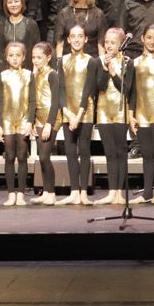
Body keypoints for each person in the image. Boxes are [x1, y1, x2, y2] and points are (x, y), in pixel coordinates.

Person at [125, 25, 154, 204]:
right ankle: (146, 193)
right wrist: (131, 114)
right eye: (149, 37)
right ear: (143, 38)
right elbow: (133, 92)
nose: (152, 41)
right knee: (146, 154)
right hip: (141, 114)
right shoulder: (134, 63)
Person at [57, 25, 98, 205]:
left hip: (85, 111)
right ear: (68, 39)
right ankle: (74, 191)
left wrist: (79, 114)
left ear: (86, 39)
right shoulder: (62, 60)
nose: (76, 39)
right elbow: (61, 88)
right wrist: (66, 111)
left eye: (80, 36)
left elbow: (88, 89)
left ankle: (83, 191)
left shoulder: (91, 61)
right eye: (73, 36)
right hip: (68, 111)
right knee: (70, 151)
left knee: (84, 150)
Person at [93, 27, 131, 205]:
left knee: (120, 152)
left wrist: (113, 72)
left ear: (121, 44)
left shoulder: (127, 62)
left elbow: (126, 88)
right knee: (109, 152)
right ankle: (111, 191)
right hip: (103, 110)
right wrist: (104, 67)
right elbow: (99, 86)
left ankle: (120, 193)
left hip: (120, 110)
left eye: (113, 42)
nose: (108, 45)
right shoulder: (98, 61)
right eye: (106, 42)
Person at [0, 41, 34, 206]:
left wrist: (30, 121)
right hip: (7, 120)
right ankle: (11, 193)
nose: (15, 58)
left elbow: (32, 101)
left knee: (22, 157)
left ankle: (21, 193)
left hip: (24, 119)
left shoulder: (29, 75)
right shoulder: (1, 76)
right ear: (6, 56)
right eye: (11, 55)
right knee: (10, 157)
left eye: (18, 55)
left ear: (24, 57)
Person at [28, 42, 61, 204]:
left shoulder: (52, 74)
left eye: (39, 57)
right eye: (33, 57)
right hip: (39, 118)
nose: (35, 60)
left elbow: (56, 101)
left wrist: (49, 123)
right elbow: (33, 100)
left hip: (51, 118)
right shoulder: (35, 75)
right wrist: (33, 121)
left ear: (48, 58)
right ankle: (46, 192)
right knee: (41, 158)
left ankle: (52, 193)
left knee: (44, 156)